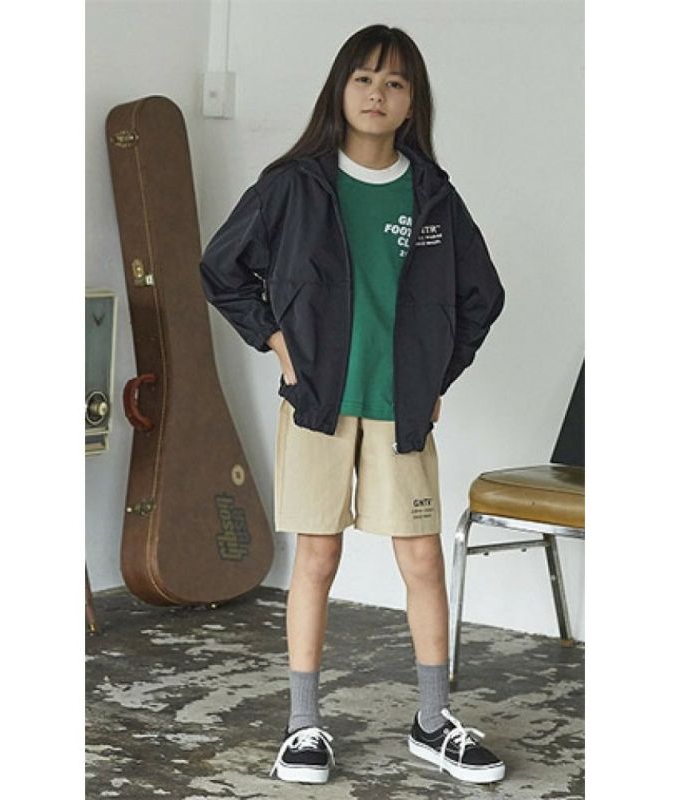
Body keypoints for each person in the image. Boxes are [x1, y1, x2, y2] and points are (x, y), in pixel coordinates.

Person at [199, 23, 506, 786]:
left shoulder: (431, 194)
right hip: (318, 405)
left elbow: (482, 295)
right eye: (364, 78)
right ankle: (303, 727)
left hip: (400, 409)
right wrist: (276, 342)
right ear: (340, 89)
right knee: (318, 556)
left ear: (413, 103)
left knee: (422, 558)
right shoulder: (294, 185)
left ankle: (432, 722)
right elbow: (222, 268)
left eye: (395, 82)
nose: (377, 93)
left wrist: (437, 377)